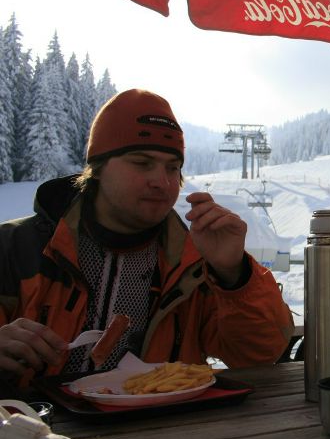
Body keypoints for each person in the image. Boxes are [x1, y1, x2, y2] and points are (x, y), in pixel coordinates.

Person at [0, 89, 294, 382]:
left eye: (173, 167)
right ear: (98, 168)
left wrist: (235, 275)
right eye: (142, 163)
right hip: (33, 425)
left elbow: (260, 354)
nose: (162, 182)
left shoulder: (194, 265)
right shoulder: (15, 247)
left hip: (162, 425)